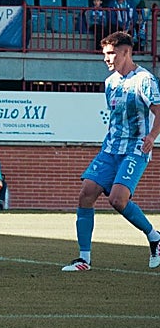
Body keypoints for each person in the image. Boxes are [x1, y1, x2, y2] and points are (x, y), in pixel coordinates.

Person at [63, 31, 160, 272]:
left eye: (111, 53)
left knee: (117, 200)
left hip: (135, 149)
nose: (106, 58)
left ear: (126, 52)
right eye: (104, 54)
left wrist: (152, 136)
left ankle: (154, 237)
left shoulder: (145, 80)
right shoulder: (110, 83)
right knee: (86, 193)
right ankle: (84, 259)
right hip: (110, 149)